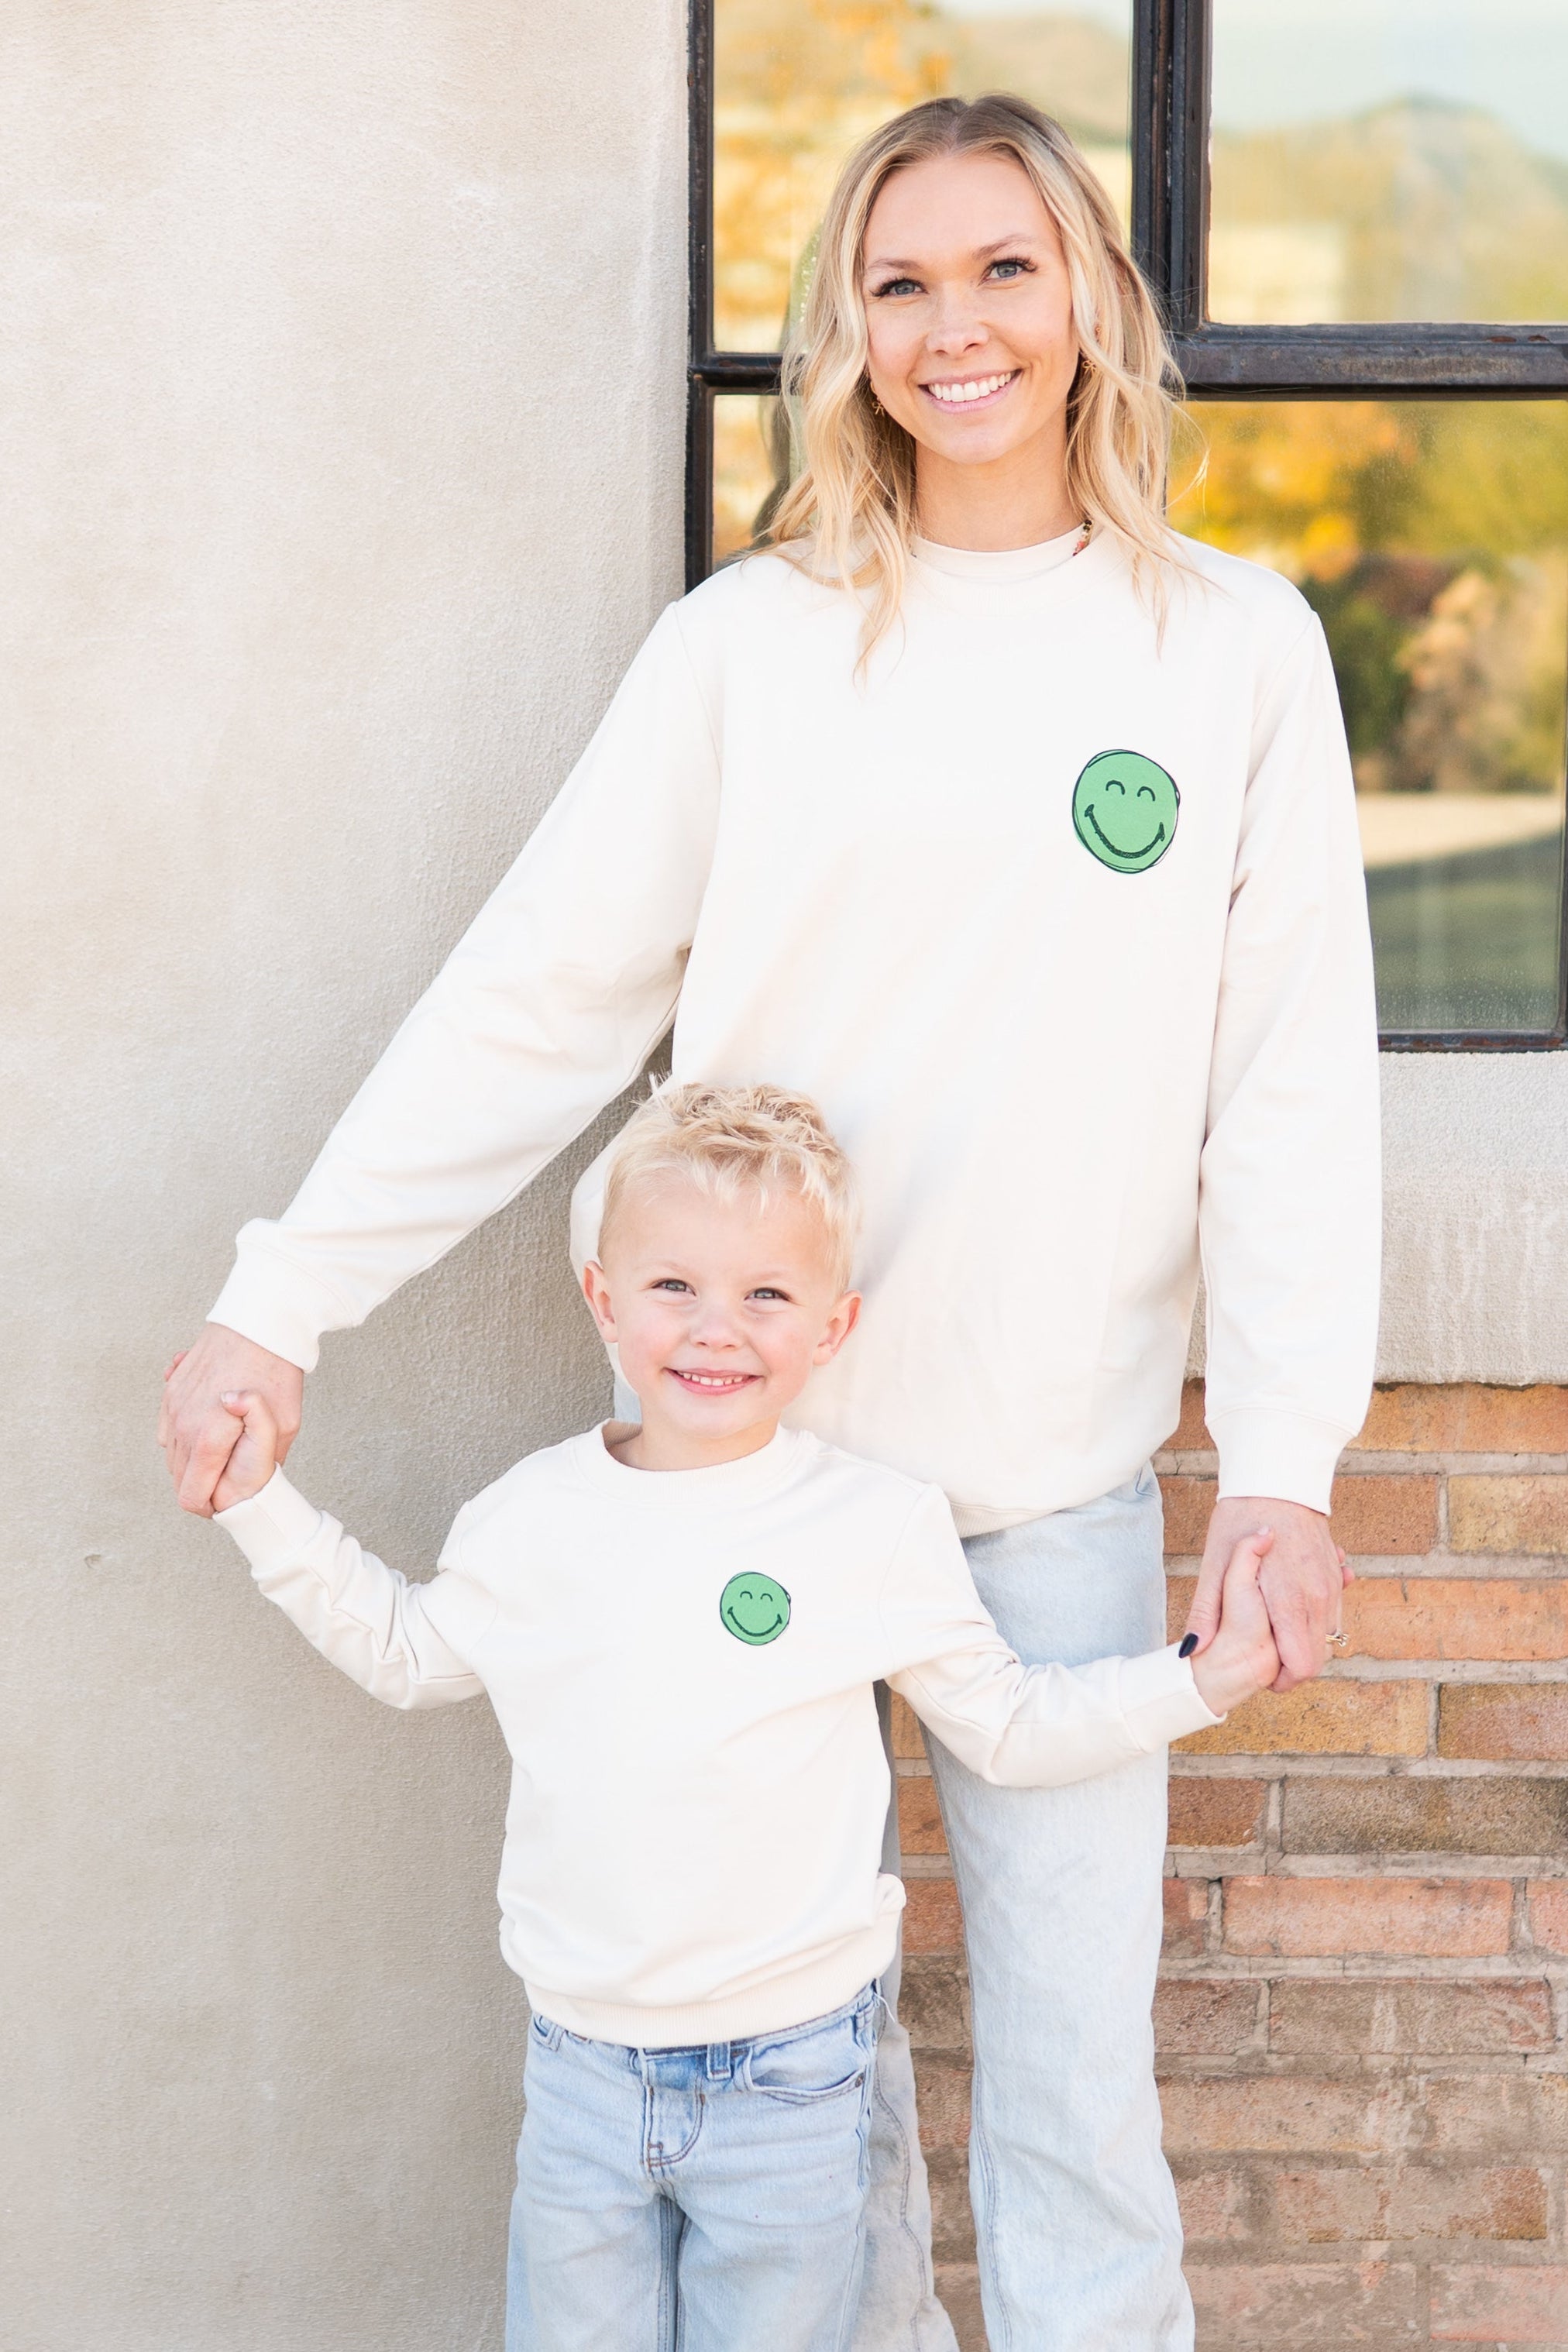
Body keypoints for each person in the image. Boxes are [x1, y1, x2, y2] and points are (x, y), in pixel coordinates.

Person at [160, 92, 1378, 2352]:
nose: (955, 326)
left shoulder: (1229, 648)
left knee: (1073, 2110)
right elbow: (535, 1000)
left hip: (1052, 1489)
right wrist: (284, 1296)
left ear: (1092, 299)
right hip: (747, 1497)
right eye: (899, 282)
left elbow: (1290, 1090)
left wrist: (1284, 1463)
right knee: (811, 2121)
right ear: (846, 332)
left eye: (1005, 268)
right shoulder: (753, 648)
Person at [206, 1084, 1284, 2352]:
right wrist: (258, 1504)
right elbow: (406, 1652)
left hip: (793, 2085)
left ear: (834, 1327)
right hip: (584, 2074)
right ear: (604, 1299)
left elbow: (1006, 1723)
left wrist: (1196, 1679)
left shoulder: (871, 1527)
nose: (716, 1328)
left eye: (766, 1294)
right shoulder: (532, 1519)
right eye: (674, 1286)